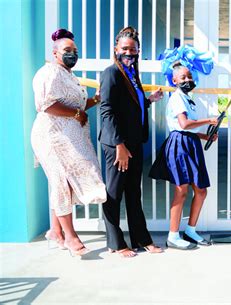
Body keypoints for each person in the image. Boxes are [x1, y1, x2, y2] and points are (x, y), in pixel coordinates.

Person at [31, 29, 106, 256]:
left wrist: (95, 100)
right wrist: (75, 114)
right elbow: (46, 105)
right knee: (61, 183)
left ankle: (55, 231)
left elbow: (78, 108)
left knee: (64, 183)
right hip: (50, 137)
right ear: (55, 53)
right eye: (67, 50)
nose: (72, 54)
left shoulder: (68, 75)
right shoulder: (50, 73)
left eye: (75, 51)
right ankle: (71, 238)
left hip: (66, 137)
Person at [99, 27, 164, 258]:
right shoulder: (111, 73)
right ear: (116, 49)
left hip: (134, 142)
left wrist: (149, 100)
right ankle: (115, 243)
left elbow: (128, 107)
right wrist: (119, 145)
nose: (129, 52)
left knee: (134, 193)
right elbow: (106, 111)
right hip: (118, 145)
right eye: (125, 49)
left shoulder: (132, 74)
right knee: (114, 193)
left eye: (133, 50)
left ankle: (141, 239)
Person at [149, 63, 218, 250]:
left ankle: (190, 231)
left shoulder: (187, 98)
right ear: (174, 81)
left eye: (189, 76)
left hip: (190, 143)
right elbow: (184, 124)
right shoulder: (177, 98)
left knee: (201, 191)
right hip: (179, 145)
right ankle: (173, 236)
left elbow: (187, 130)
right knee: (182, 191)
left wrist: (205, 135)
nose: (188, 80)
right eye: (183, 78)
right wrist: (209, 120)